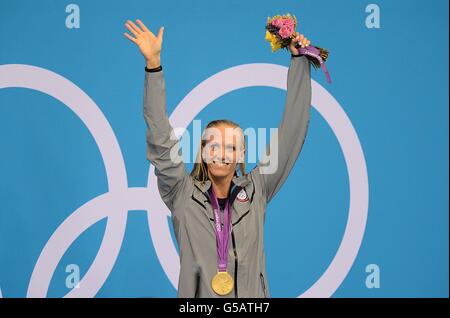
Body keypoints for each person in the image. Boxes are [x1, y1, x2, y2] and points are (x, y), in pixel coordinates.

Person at [124, 19, 312, 298]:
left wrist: (299, 64)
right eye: (213, 145)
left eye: (230, 147)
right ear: (202, 151)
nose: (221, 153)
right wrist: (154, 66)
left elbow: (291, 134)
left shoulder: (257, 189)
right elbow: (160, 136)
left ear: (241, 155)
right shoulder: (181, 192)